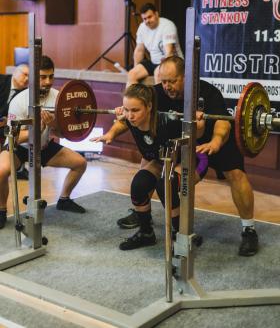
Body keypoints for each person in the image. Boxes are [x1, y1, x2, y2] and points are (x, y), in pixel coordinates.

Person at [109, 56, 258, 257]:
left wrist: (215, 142)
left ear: (186, 77)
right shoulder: (156, 94)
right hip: (180, 144)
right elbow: (132, 114)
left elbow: (223, 123)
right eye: (164, 81)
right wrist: (122, 114)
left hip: (211, 139)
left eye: (172, 81)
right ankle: (143, 217)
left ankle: (248, 229)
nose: (167, 86)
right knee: (147, 171)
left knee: (236, 174)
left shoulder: (207, 92)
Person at [93, 83, 208, 250]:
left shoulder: (168, 121)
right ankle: (146, 233)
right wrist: (110, 133)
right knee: (139, 185)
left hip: (191, 158)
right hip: (163, 159)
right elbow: (122, 123)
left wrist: (200, 122)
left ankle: (182, 235)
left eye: (135, 110)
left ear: (149, 107)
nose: (130, 115)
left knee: (165, 185)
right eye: (127, 109)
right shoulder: (131, 119)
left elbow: (197, 134)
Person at [0, 56, 87, 229]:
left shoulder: (59, 99)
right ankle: (1, 210)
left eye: (51, 76)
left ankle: (64, 199)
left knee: (80, 163)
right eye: (42, 77)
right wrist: (36, 129)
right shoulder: (20, 100)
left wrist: (53, 124)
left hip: (44, 146)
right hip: (20, 147)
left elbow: (63, 133)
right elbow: (12, 136)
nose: (48, 82)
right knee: (1, 172)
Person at [127, 2, 183, 86]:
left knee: (158, 73)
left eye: (149, 17)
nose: (147, 21)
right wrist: (136, 68)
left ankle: (159, 99)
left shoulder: (167, 26)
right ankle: (133, 98)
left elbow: (169, 52)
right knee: (132, 74)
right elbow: (139, 51)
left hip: (173, 62)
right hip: (154, 62)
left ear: (156, 14)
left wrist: (162, 69)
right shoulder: (142, 28)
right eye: (144, 19)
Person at [0, 64, 30, 180]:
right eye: (25, 75)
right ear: (15, 73)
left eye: (29, 77)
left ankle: (17, 167)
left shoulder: (26, 94)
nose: (27, 79)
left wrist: (6, 121)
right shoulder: (2, 81)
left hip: (8, 125)